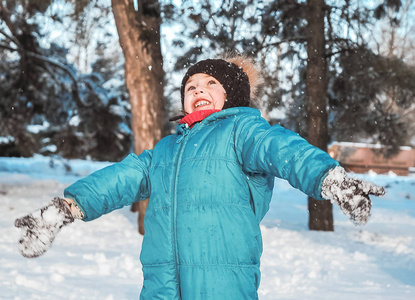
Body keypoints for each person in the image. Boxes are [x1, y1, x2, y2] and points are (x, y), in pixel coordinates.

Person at [15, 55, 385, 299]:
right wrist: (64, 208)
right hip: (161, 284)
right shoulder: (166, 150)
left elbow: (281, 148)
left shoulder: (242, 131)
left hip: (221, 282)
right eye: (191, 87)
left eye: (210, 85)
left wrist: (328, 176)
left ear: (231, 96)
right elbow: (120, 179)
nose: (197, 91)